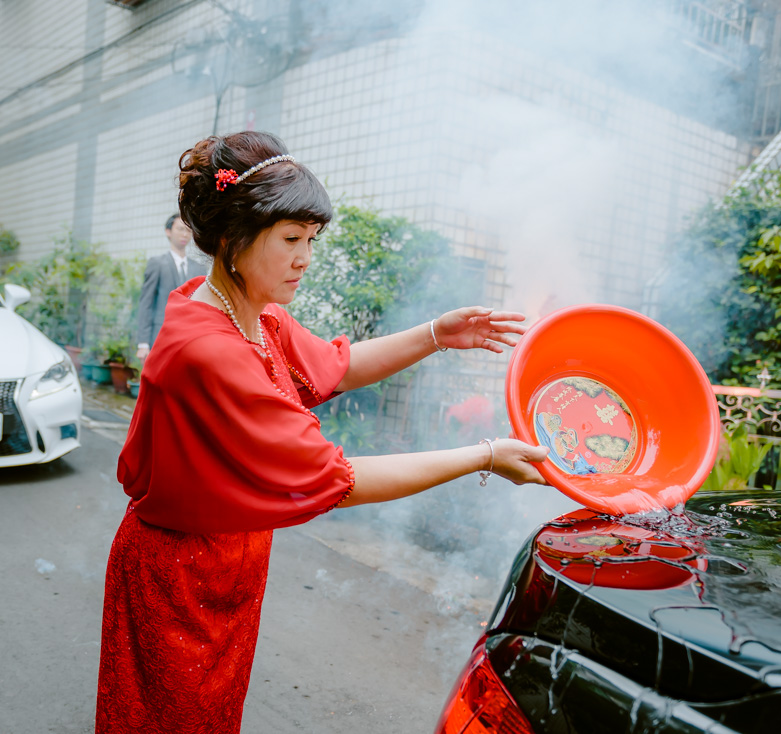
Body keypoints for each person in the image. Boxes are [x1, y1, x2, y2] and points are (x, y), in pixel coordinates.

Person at [95, 131, 549, 734]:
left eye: (311, 239)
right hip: (178, 574)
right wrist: (484, 455)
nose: (306, 258)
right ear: (231, 239)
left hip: (228, 561)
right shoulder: (207, 349)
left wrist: (437, 332)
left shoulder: (256, 314)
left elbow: (334, 365)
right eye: (290, 240)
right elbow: (340, 478)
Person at [135, 214, 207, 361]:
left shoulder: (199, 269)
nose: (185, 234)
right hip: (161, 333)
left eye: (188, 230)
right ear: (168, 232)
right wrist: (143, 343)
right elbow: (146, 304)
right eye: (180, 229)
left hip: (190, 336)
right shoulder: (157, 264)